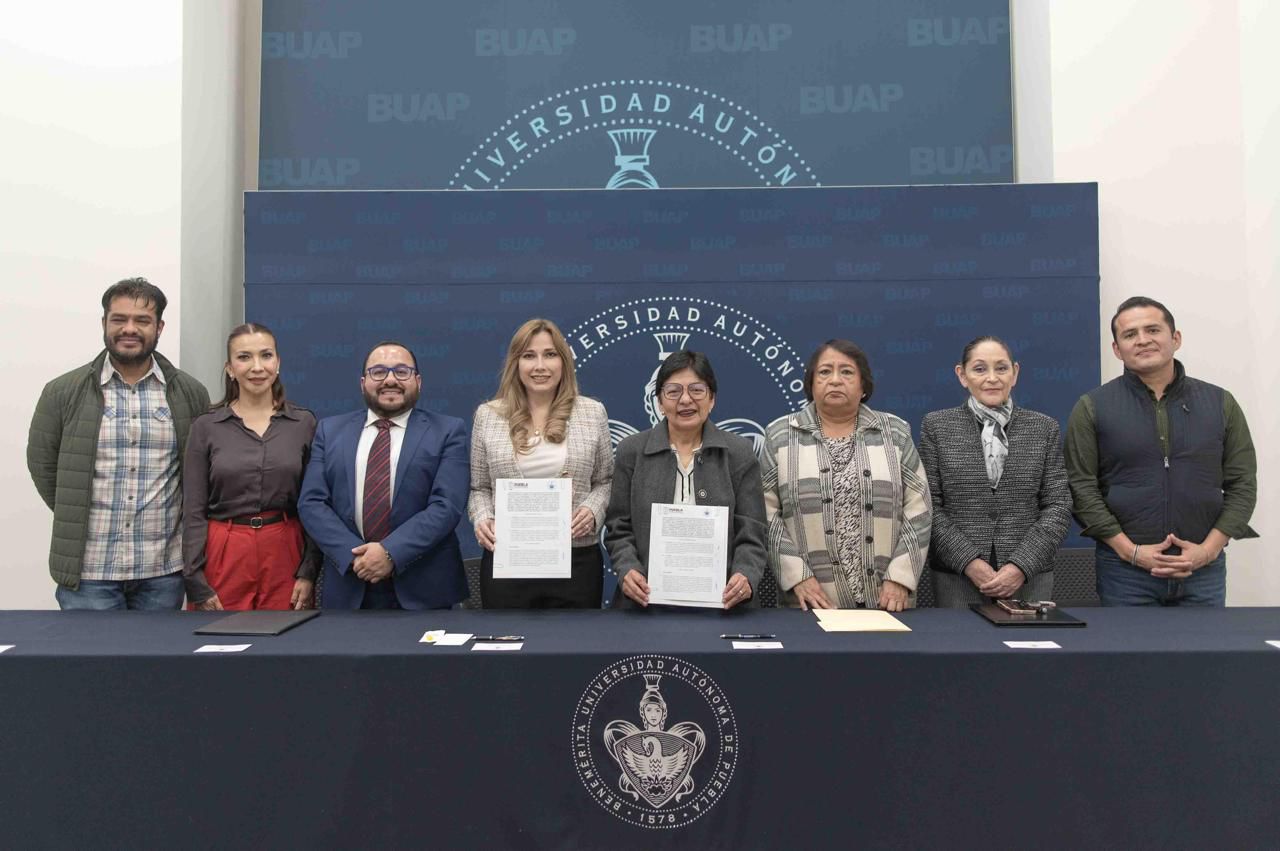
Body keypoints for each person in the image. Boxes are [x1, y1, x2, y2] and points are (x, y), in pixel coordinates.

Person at [27, 278, 210, 610]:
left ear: (159, 327)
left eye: (142, 320)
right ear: (104, 323)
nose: (130, 329)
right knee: (91, 663)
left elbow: (199, 474)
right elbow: (43, 467)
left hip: (164, 572)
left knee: (157, 663)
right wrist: (75, 508)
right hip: (89, 573)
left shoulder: (190, 393)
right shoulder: (62, 392)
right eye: (119, 319)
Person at [1065, 297, 1257, 606]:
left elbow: (1242, 485)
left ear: (1175, 338)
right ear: (1117, 349)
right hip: (1125, 574)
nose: (1142, 340)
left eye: (1152, 329)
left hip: (1203, 572)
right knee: (1130, 656)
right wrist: (1131, 552)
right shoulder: (1092, 407)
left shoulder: (1221, 403)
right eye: (1129, 335)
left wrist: (1207, 551)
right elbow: (1080, 488)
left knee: (1204, 654)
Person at [298, 341, 470, 609]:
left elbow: (446, 506)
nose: (390, 379)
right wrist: (356, 558)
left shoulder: (447, 431)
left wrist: (390, 553)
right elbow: (311, 503)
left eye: (402, 371)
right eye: (379, 372)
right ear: (363, 382)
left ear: (418, 381)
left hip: (426, 590)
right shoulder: (329, 431)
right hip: (350, 584)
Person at [761, 339, 930, 612]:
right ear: (811, 384)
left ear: (864, 386)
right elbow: (765, 514)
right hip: (810, 603)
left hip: (887, 601)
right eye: (825, 372)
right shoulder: (780, 435)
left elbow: (919, 508)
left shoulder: (895, 432)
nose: (835, 380)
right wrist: (798, 578)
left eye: (847, 372)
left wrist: (900, 578)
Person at [468, 319, 613, 608]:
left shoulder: (592, 412)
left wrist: (593, 510)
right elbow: (479, 487)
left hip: (577, 561)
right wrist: (482, 517)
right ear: (515, 363)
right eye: (529, 356)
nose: (540, 366)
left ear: (564, 361)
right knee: (506, 650)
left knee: (574, 650)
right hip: (508, 560)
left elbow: (606, 481)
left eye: (550, 354)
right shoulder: (488, 415)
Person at [604, 351, 766, 609]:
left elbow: (753, 532)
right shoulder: (631, 451)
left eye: (697, 390)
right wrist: (627, 568)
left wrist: (745, 574)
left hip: (724, 603)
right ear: (659, 401)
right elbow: (617, 528)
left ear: (712, 399)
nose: (686, 400)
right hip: (644, 602)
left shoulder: (739, 453)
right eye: (673, 391)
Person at [918, 336, 1071, 606]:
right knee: (963, 646)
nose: (992, 378)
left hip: (1028, 578)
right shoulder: (937, 426)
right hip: (958, 577)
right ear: (962, 375)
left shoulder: (1044, 428)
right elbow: (928, 505)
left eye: (1001, 368)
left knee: (1028, 648)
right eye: (979, 369)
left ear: (1015, 373)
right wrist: (969, 562)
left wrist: (1020, 566)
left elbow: (1058, 505)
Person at [182, 324, 320, 611]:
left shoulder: (304, 424)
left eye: (266, 356)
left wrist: (308, 572)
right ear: (230, 368)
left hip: (285, 549)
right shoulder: (205, 427)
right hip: (224, 549)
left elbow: (315, 505)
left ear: (278, 363)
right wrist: (194, 578)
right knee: (220, 643)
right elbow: (193, 510)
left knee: (285, 644)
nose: (257, 367)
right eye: (244, 357)